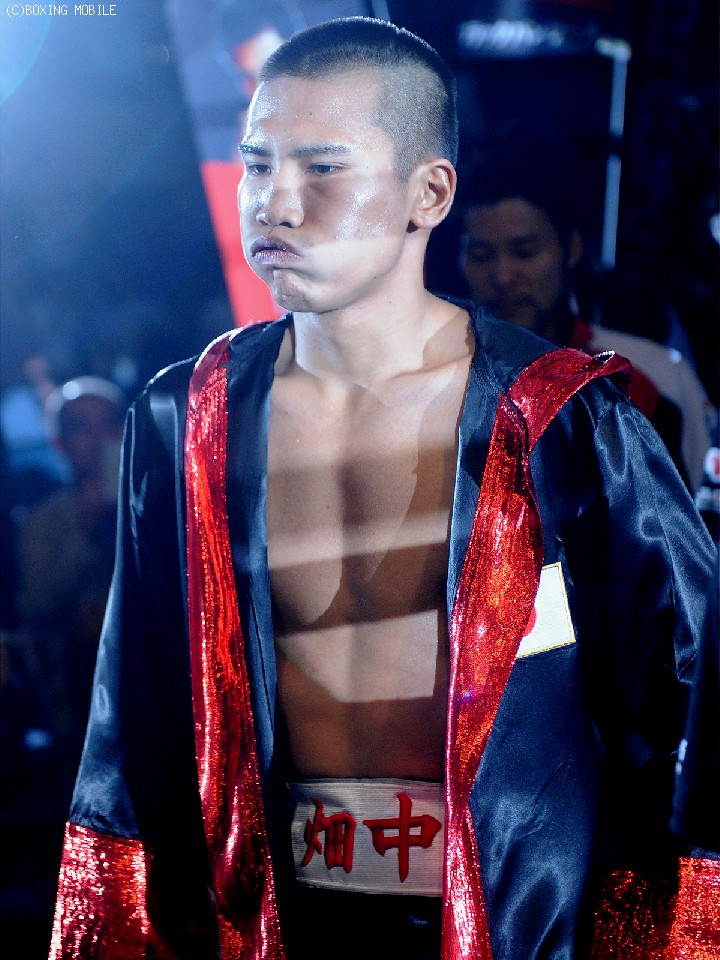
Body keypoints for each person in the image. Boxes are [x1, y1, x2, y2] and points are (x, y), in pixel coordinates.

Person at [49, 17, 717, 960]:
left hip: (516, 926)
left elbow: (694, 688)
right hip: (282, 921)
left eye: (322, 168)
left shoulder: (560, 419)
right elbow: (138, 716)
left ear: (428, 193)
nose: (276, 203)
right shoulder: (185, 418)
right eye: (257, 164)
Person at [456, 141, 717, 498]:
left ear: (572, 249)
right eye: (481, 255)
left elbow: (693, 519)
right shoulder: (441, 375)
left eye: (524, 252)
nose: (502, 276)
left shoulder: (649, 378)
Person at [15, 376, 125, 778]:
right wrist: (88, 527)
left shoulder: (159, 499)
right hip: (78, 685)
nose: (97, 439)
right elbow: (35, 604)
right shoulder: (43, 522)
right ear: (59, 442)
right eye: (81, 427)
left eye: (107, 423)